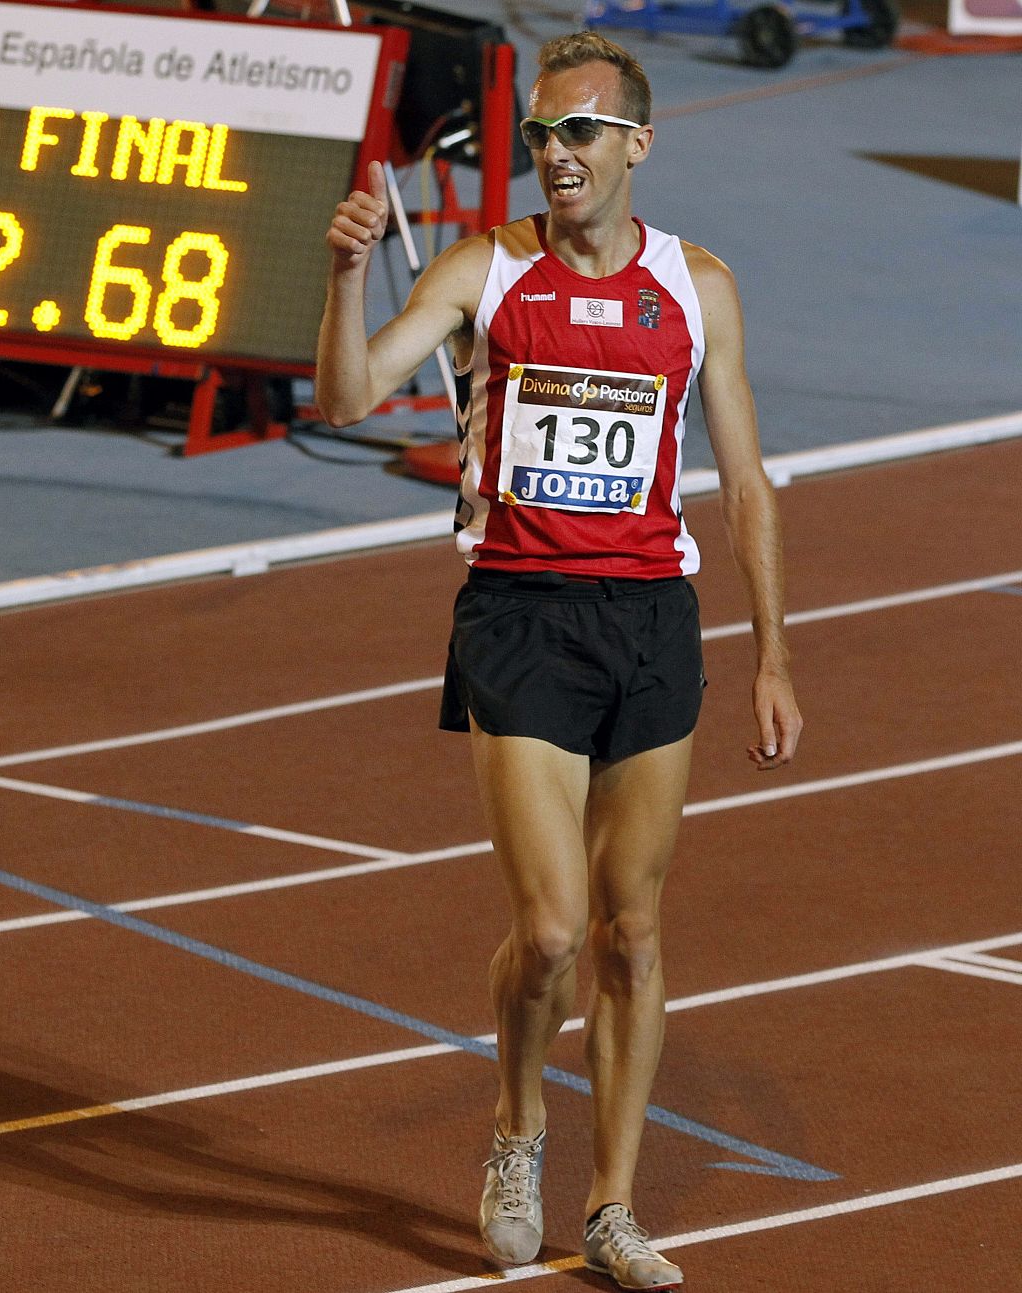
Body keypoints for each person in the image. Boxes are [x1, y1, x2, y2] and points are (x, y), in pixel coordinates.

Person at [315, 30, 801, 1293]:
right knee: (549, 928)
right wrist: (346, 279)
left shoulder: (697, 286)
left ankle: (614, 1207)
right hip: (518, 615)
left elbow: (744, 481)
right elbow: (349, 397)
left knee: (632, 934)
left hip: (649, 621)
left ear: (636, 142)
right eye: (538, 134)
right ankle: (519, 1134)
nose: (553, 155)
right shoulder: (488, 269)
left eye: (577, 132)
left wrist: (771, 657)